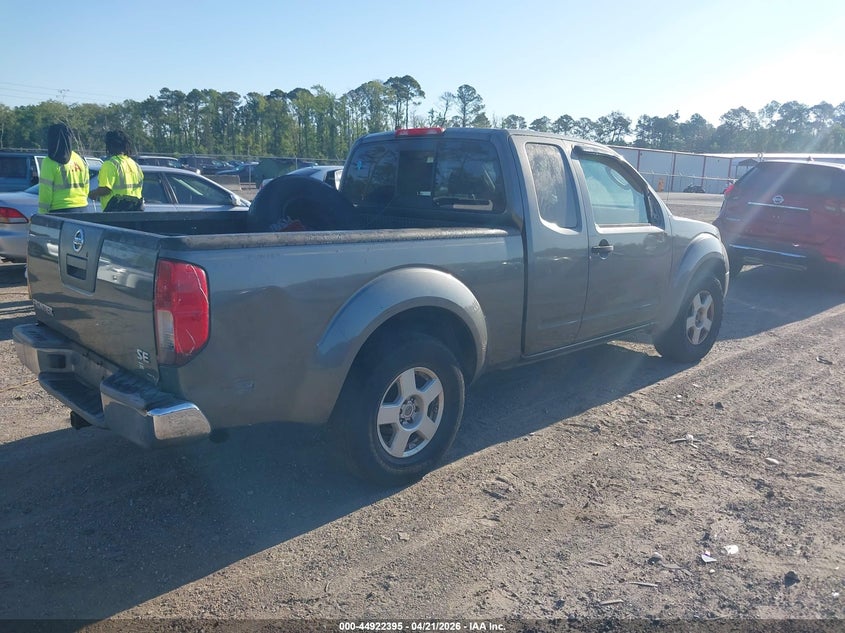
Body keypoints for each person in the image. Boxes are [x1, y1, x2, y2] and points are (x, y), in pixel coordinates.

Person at [38, 123, 90, 214]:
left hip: (59, 210)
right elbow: (86, 186)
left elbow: (45, 192)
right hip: (82, 208)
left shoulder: (49, 162)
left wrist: (42, 213)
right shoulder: (79, 159)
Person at [89, 130, 143, 210]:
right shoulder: (135, 165)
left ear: (110, 145)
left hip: (115, 212)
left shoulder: (110, 164)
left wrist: (92, 194)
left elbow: (105, 189)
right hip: (134, 211)